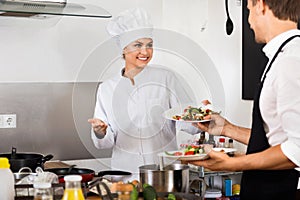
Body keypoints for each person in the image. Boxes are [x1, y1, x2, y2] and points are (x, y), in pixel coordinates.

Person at [190, 0, 300, 199]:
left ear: (261, 5)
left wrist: (233, 163)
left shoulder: (291, 60)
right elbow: (276, 141)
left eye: (249, 10)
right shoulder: (281, 56)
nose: (249, 21)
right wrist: (226, 129)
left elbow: (297, 150)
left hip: (280, 192)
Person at [88, 8, 198, 178]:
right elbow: (105, 142)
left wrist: (199, 116)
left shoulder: (166, 78)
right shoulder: (107, 89)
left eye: (149, 45)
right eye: (138, 45)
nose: (145, 52)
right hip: (125, 176)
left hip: (164, 175)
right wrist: (100, 131)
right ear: (123, 49)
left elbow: (188, 124)